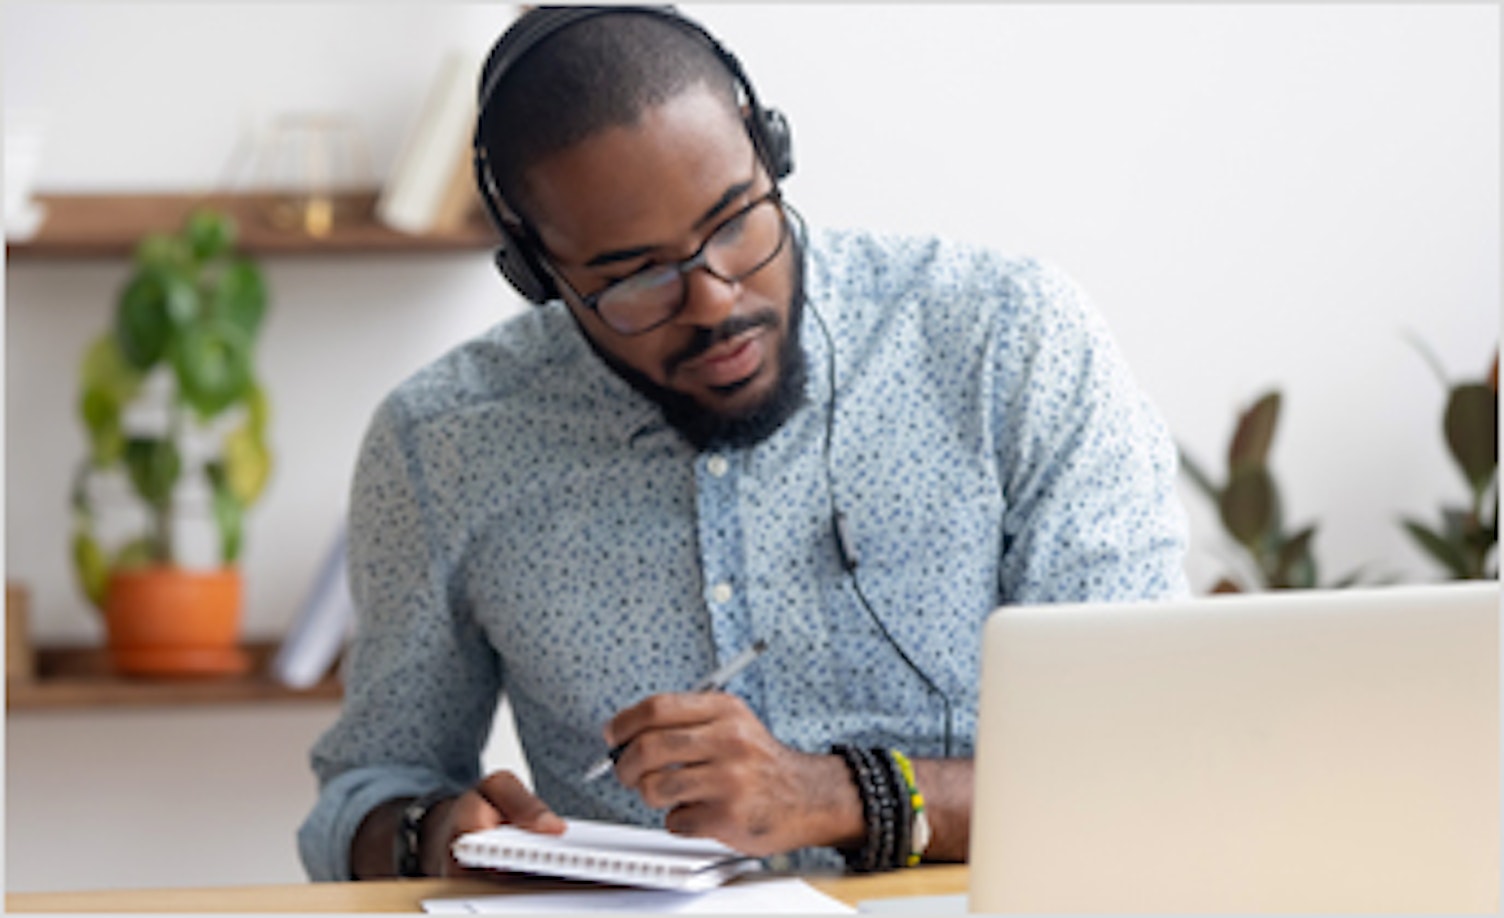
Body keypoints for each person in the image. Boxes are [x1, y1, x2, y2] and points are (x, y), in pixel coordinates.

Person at [298, 5, 1189, 882]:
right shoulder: (440, 443)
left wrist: (838, 795)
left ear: (772, 153)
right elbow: (364, 796)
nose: (716, 300)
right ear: (538, 275)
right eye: (636, 275)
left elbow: (1147, 762)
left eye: (735, 223)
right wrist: (434, 833)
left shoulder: (1010, 342)